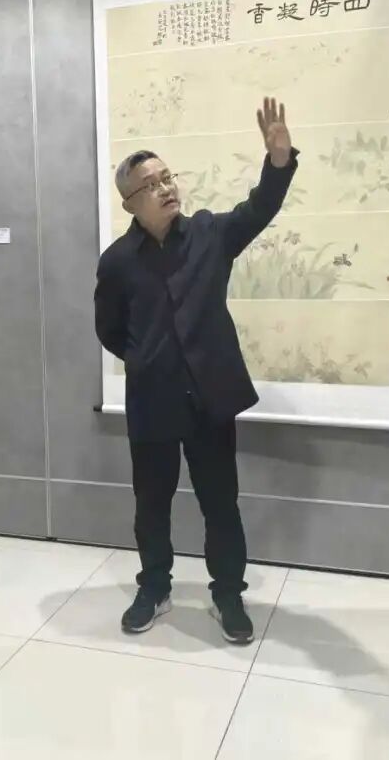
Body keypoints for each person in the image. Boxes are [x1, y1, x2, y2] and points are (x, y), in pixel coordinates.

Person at [94, 97, 298, 645]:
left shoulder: (209, 234)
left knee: (220, 503)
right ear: (130, 202)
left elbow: (260, 208)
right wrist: (146, 358)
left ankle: (227, 592)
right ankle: (154, 586)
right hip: (152, 401)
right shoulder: (117, 261)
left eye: (168, 177)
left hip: (210, 399)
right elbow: (108, 329)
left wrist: (278, 160)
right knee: (151, 503)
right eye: (151, 184)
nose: (166, 188)